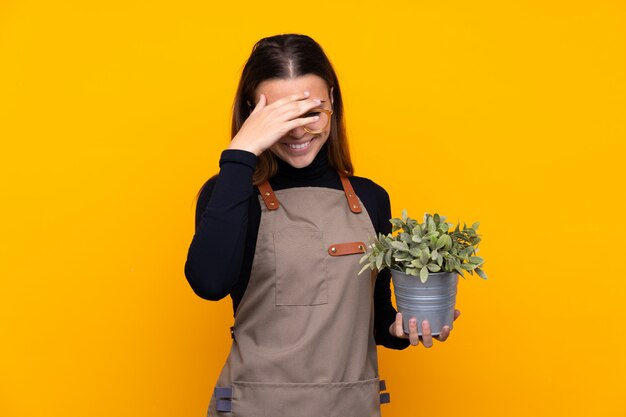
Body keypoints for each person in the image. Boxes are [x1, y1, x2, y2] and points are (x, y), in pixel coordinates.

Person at [184, 33, 460, 417]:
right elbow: (209, 283)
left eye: (311, 113)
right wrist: (240, 154)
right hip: (256, 406)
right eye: (282, 116)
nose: (298, 131)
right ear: (253, 114)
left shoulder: (371, 198)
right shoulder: (231, 193)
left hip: (350, 406)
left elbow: (376, 318)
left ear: (332, 101)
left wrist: (402, 330)